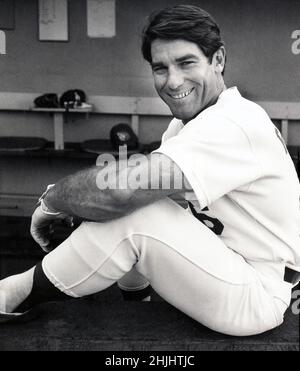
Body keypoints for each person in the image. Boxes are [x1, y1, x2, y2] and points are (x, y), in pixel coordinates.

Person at [1, 4, 300, 336]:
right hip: (227, 267)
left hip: (258, 294)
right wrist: (80, 206)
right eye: (161, 68)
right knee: (137, 204)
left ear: (218, 60)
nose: (173, 81)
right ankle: (136, 312)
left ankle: (13, 294)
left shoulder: (234, 122)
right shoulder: (184, 125)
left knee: (132, 211)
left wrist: (54, 198)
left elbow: (119, 192)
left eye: (186, 63)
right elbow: (134, 194)